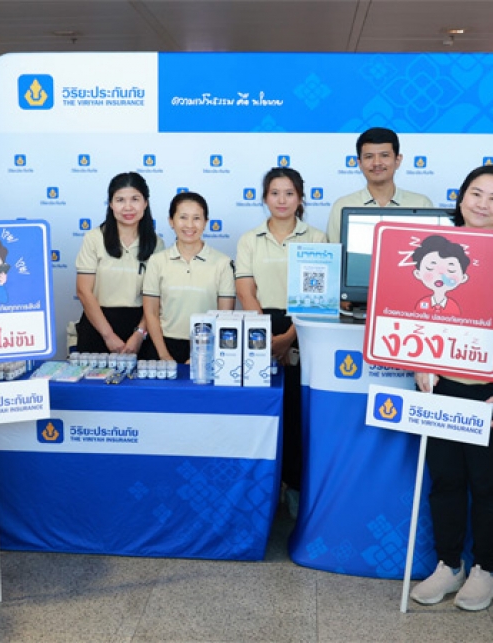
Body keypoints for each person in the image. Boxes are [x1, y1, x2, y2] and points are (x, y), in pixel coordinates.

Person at [409, 165, 493, 612]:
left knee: (489, 484)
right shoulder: (433, 250)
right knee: (446, 480)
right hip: (442, 387)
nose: (483, 204)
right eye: (476, 193)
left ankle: (486, 570)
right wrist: (419, 364)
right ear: (461, 199)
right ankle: (449, 563)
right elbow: (413, 314)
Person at [236, 167, 328, 518]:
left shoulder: (316, 239)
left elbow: (317, 296)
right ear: (264, 198)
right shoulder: (250, 239)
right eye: (275, 193)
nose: (282, 200)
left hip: (303, 330)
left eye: (289, 193)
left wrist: (289, 338)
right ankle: (264, 489)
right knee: (263, 413)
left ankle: (294, 487)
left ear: (300, 198)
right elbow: (246, 290)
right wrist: (265, 339)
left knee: (295, 413)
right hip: (260, 329)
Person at [76, 172, 163, 359]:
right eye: (120, 200)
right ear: (110, 204)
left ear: (145, 203)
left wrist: (139, 334)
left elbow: (156, 298)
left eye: (135, 199)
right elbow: (83, 291)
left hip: (141, 328)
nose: (128, 207)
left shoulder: (156, 244)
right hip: (98, 325)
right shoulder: (94, 238)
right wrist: (108, 336)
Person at [142, 192, 235, 363]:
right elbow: (151, 312)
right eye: (183, 217)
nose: (190, 225)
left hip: (207, 348)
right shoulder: (157, 261)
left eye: (197, 218)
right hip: (162, 346)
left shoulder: (222, 263)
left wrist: (200, 354)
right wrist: (164, 355)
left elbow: (224, 316)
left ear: (206, 222)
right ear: (171, 221)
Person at [326, 127, 434, 243]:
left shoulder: (421, 204)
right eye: (369, 157)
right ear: (359, 163)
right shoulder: (342, 206)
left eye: (384, 155)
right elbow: (336, 253)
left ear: (397, 160)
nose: (377, 163)